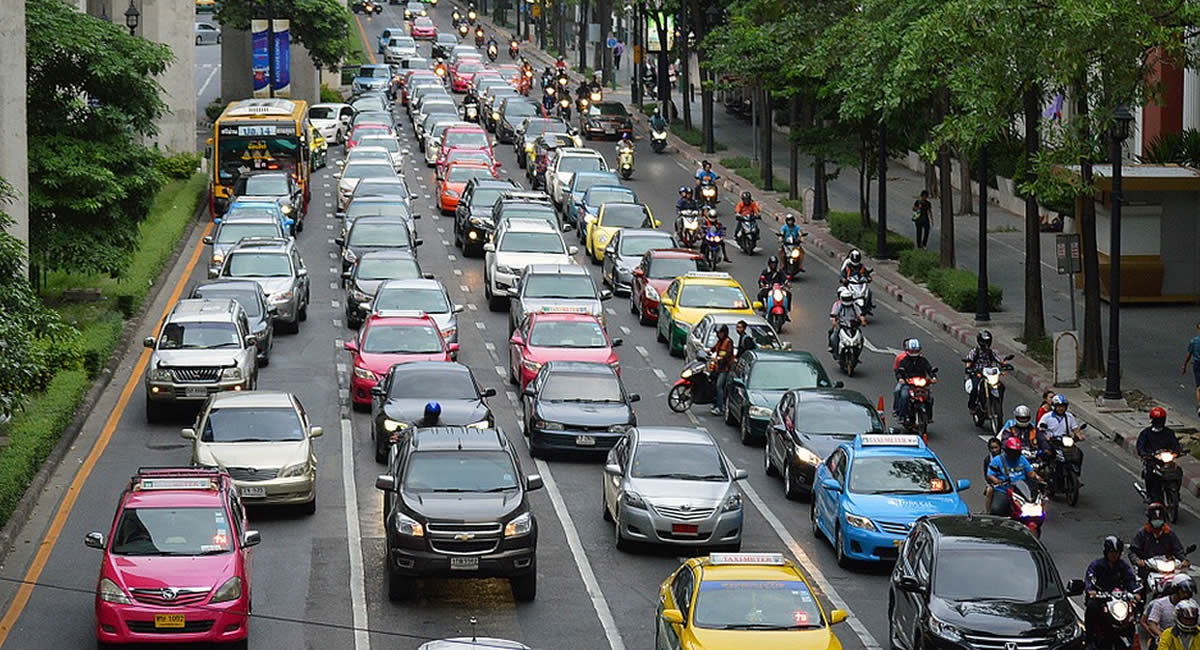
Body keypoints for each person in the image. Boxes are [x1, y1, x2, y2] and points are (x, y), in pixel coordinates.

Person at [1085, 536, 1140, 647]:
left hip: (1119, 599)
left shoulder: (1123, 566)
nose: (1114, 555)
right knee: (1092, 607)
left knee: (1133, 609)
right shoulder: (1096, 565)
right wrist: (1092, 591)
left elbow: (1130, 579)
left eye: (1117, 552)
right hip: (1101, 599)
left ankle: (1131, 637)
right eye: (1112, 552)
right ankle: (1089, 639)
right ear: (1106, 552)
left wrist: (1135, 592)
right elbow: (1090, 579)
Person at [1129, 503, 1190, 578]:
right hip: (1147, 568)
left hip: (1167, 566)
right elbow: (1132, 552)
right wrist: (1138, 561)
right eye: (1154, 519)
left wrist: (1184, 560)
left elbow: (1178, 550)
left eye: (1159, 519)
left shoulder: (1169, 533)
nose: (1157, 521)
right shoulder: (1142, 533)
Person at [985, 437, 1042, 514]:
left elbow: (1030, 473)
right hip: (1004, 490)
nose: (1014, 454)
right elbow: (990, 475)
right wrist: (997, 481)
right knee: (997, 509)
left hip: (1021, 490)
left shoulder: (1022, 459)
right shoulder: (998, 460)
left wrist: (1037, 477)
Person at [1139, 407, 1184, 503]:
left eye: (1161, 420)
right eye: (1157, 420)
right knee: (1150, 474)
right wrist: (1144, 454)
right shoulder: (1146, 433)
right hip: (1153, 460)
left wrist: (1178, 451)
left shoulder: (1169, 433)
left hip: (1167, 461)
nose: (1159, 422)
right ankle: (1150, 494)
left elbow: (1175, 444)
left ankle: (1176, 492)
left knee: (1178, 472)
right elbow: (1140, 446)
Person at [1145, 575, 1197, 645]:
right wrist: (1162, 636)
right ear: (1175, 590)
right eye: (1184, 592)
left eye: (1188, 593)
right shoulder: (1160, 604)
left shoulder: (1193, 604)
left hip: (1189, 639)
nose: (1186, 595)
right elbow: (1152, 624)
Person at [894, 338, 937, 420]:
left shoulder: (923, 360)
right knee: (904, 396)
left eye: (916, 351)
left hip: (921, 384)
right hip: (908, 384)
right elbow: (899, 371)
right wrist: (900, 378)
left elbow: (929, 369)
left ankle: (929, 416)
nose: (914, 353)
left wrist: (933, 377)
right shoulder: (904, 360)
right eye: (912, 351)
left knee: (930, 398)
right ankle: (902, 415)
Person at [964, 330, 1003, 412]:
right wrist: (969, 367)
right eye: (985, 342)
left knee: (1001, 386)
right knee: (975, 387)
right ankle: (972, 405)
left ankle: (998, 403)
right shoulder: (975, 351)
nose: (986, 344)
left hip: (989, 374)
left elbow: (998, 360)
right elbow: (969, 360)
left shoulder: (991, 352)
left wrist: (1004, 365)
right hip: (977, 373)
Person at [829, 287, 866, 354]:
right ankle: (833, 348)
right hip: (842, 325)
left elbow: (860, 314)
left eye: (848, 298)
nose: (847, 300)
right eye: (846, 299)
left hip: (852, 325)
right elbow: (833, 314)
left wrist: (863, 321)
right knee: (834, 336)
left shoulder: (854, 306)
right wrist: (834, 322)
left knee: (860, 337)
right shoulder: (838, 305)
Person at [709, 325, 734, 416]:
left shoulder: (728, 342)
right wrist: (708, 351)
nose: (719, 335)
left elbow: (725, 356)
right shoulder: (720, 341)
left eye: (720, 333)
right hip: (718, 367)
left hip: (725, 369)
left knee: (719, 386)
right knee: (714, 383)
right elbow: (714, 348)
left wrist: (719, 359)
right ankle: (715, 403)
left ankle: (720, 407)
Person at [1181, 321, 1200, 417]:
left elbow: (1189, 355)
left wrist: (1184, 365)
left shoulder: (1194, 341)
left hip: (1197, 364)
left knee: (1198, 387)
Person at [982, 437, 1003, 513]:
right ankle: (988, 512)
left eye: (996, 447)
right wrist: (994, 482)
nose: (994, 450)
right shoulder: (987, 460)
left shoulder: (1005, 458)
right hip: (993, 483)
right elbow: (986, 475)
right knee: (989, 491)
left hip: (1006, 481)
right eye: (992, 448)